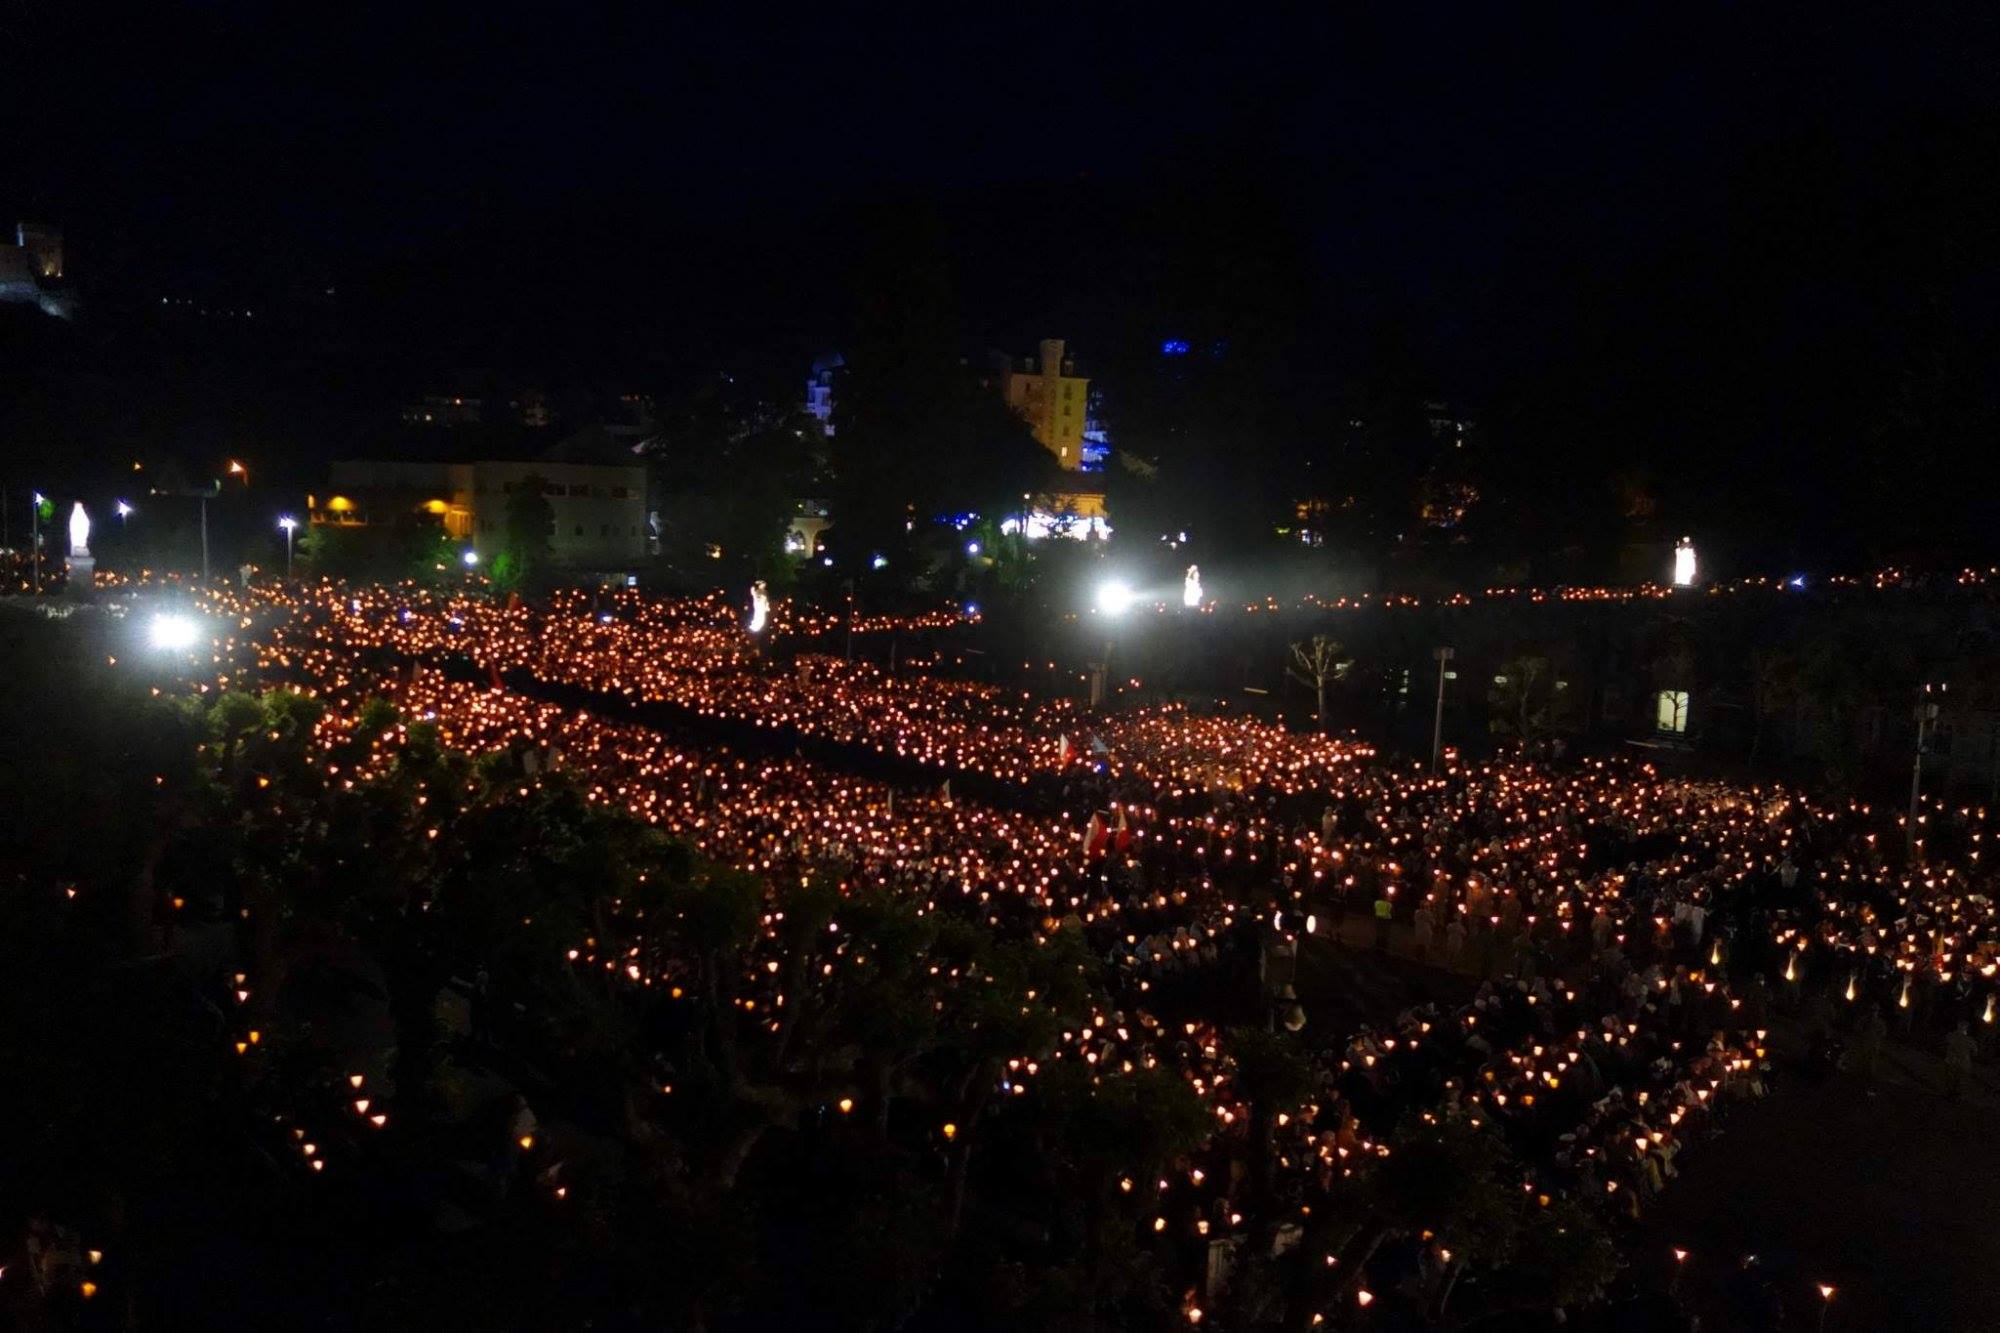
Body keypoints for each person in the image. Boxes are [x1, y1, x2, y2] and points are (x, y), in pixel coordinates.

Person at [1943, 1020, 1976, 1098]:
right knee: (1958, 1080)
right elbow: (1974, 1052)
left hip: (1951, 1061)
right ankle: (1955, 1094)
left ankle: (1950, 1094)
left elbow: (1944, 1045)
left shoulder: (1951, 1036)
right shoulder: (1969, 1040)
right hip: (1963, 1063)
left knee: (1951, 1079)